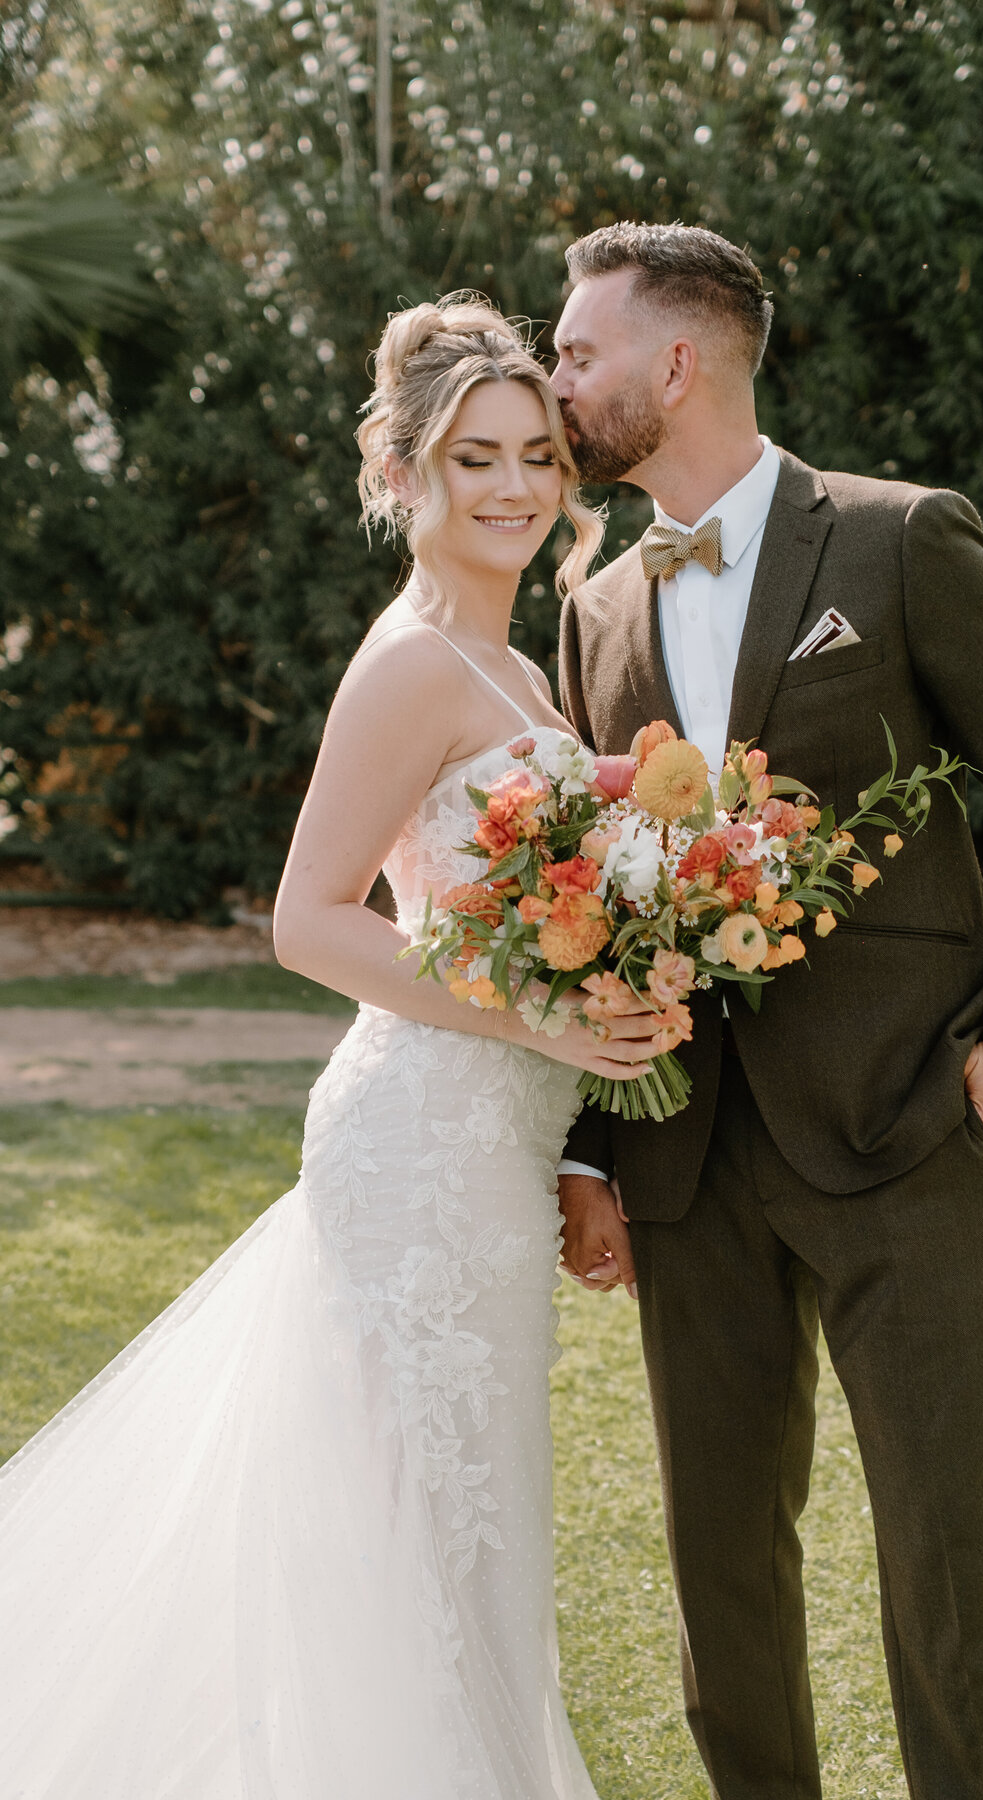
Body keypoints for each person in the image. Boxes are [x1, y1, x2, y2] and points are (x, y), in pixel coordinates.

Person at [0, 293, 664, 1800]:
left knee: (467, 1528)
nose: (513, 486)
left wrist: (571, 1097)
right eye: (472, 456)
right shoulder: (416, 661)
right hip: (414, 1153)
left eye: (539, 456)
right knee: (409, 1541)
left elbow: (501, 912)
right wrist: (545, 1012)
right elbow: (310, 921)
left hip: (491, 1156)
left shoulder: (513, 668)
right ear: (401, 473)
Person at [551, 223, 983, 1800]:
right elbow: (600, 893)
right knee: (719, 1581)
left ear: (676, 365)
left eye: (578, 349)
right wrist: (600, 1144)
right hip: (689, 1167)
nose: (557, 380)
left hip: (913, 1134)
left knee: (955, 1569)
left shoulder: (894, 541)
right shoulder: (596, 607)